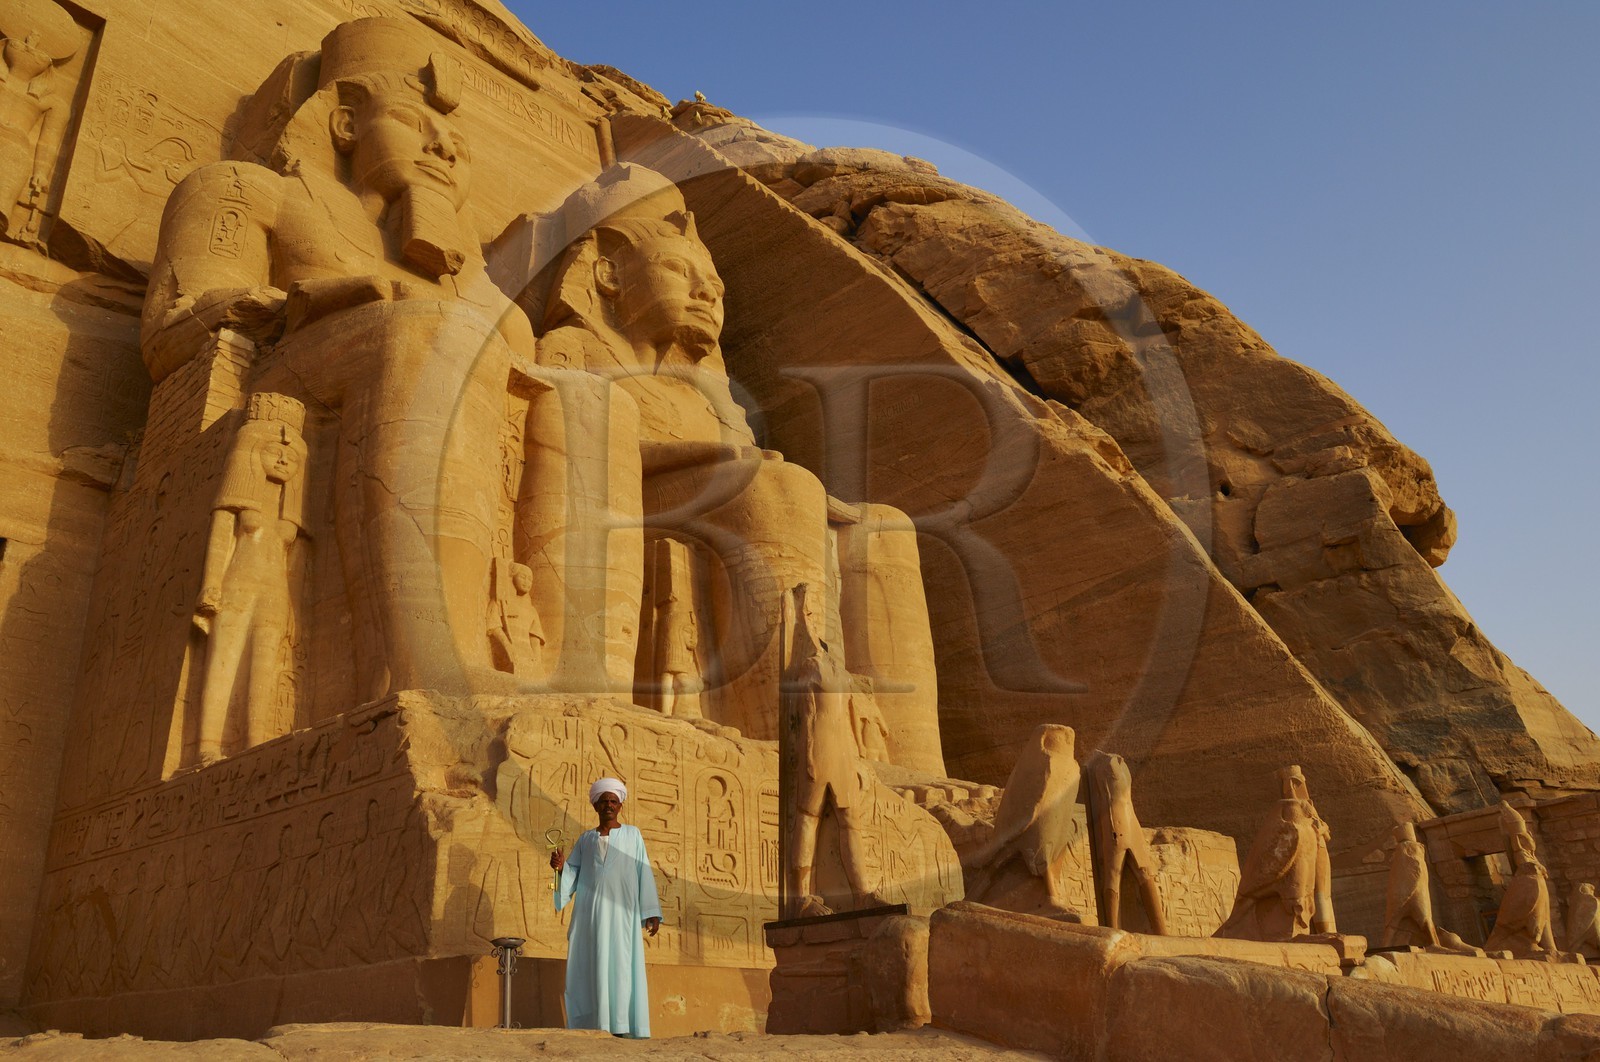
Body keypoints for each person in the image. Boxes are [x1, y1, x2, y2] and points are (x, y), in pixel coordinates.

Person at [549, 777, 662, 1038]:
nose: (609, 805)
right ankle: (597, 1026)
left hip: (623, 916)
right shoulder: (586, 840)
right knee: (593, 965)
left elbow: (643, 872)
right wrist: (560, 867)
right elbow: (572, 875)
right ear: (596, 806)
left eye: (613, 801)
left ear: (620, 805)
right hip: (591, 918)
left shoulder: (633, 835)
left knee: (621, 967)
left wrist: (651, 911)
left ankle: (622, 1026)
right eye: (604, 801)